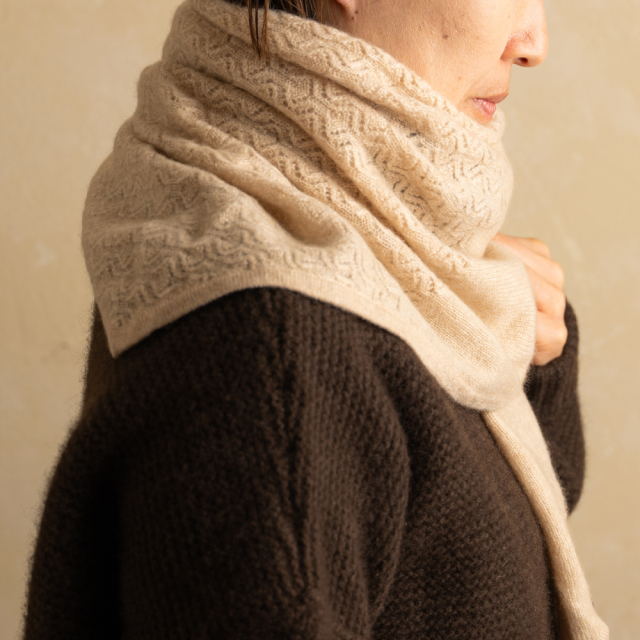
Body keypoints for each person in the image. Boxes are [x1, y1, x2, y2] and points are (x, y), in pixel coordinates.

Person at [23, 0, 609, 638]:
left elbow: (474, 558)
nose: (533, 44)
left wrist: (510, 336)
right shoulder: (271, 348)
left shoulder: (250, 208)